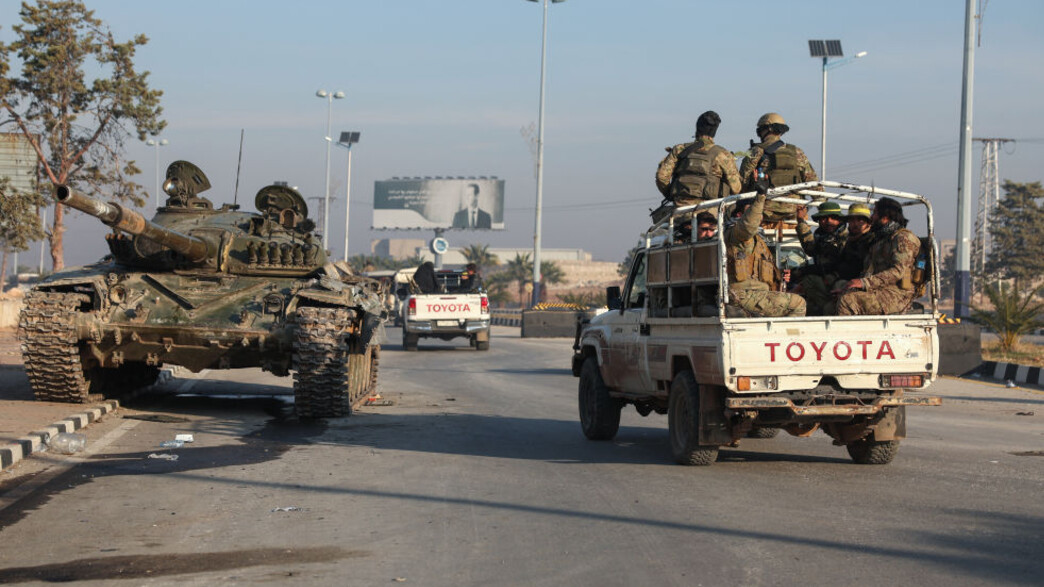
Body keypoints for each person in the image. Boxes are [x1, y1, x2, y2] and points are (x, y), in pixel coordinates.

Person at [724, 191, 806, 317]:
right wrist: (761, 196)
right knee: (798, 304)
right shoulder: (737, 234)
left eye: (759, 212)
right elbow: (748, 225)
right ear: (740, 215)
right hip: (743, 294)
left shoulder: (760, 241)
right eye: (752, 212)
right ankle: (783, 337)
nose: (759, 216)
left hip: (757, 294)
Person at [835, 198, 921, 316]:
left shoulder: (903, 238)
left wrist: (864, 283)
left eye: (875, 213)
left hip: (897, 295)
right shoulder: (881, 240)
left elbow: (898, 271)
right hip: (880, 290)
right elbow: (870, 270)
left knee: (848, 301)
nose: (872, 218)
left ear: (885, 217)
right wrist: (851, 288)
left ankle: (848, 335)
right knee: (836, 299)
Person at [738, 113, 818, 221]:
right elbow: (815, 184)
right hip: (794, 214)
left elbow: (741, 184)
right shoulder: (797, 152)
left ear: (767, 129)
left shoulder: (755, 152)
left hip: (763, 214)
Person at [655, 111, 742, 208]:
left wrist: (670, 194)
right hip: (709, 214)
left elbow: (661, 177)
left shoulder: (679, 150)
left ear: (697, 127)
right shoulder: (722, 154)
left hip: (681, 209)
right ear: (714, 131)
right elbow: (736, 188)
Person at [792, 201, 848, 315]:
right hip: (826, 281)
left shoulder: (846, 238)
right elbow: (810, 247)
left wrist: (811, 269)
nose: (829, 222)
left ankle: (831, 312)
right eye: (824, 218)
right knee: (809, 281)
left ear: (840, 220)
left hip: (842, 282)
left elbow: (839, 263)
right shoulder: (821, 237)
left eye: (833, 218)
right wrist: (801, 221)